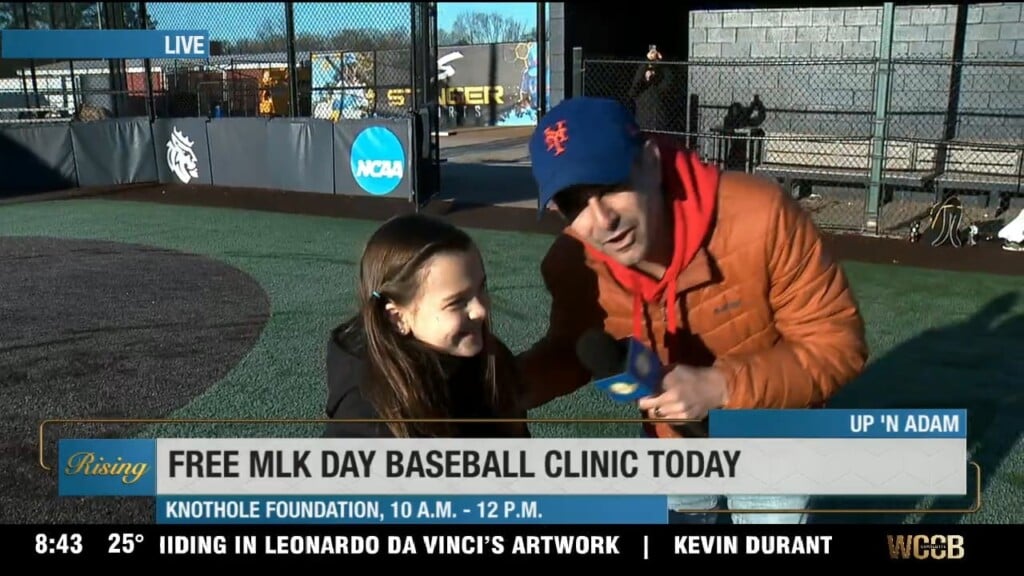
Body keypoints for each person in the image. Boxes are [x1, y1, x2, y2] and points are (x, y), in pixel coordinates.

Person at [519, 97, 869, 524]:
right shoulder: (573, 262)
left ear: (649, 162)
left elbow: (837, 345)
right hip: (672, 446)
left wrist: (722, 386)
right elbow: (572, 352)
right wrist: (507, 385)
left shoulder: (761, 215)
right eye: (575, 204)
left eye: (611, 185)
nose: (601, 220)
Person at [324, 213, 530, 439]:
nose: (480, 310)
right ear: (398, 318)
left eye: (481, 288)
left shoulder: (491, 360)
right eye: (457, 302)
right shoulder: (369, 420)